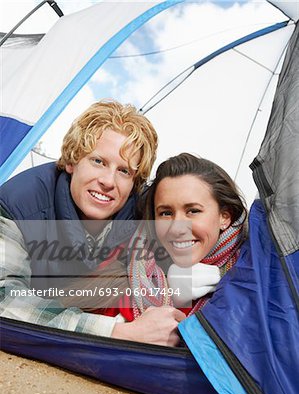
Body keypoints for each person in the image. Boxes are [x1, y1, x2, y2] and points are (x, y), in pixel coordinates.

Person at [0, 100, 185, 346]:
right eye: (98, 161)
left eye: (124, 171)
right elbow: (5, 299)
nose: (108, 181)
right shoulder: (20, 203)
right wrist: (118, 333)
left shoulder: (142, 213)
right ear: (72, 161)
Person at [66, 153, 247, 320]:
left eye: (193, 211)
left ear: (225, 217)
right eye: (166, 213)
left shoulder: (254, 274)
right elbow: (62, 319)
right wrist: (168, 291)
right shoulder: (127, 259)